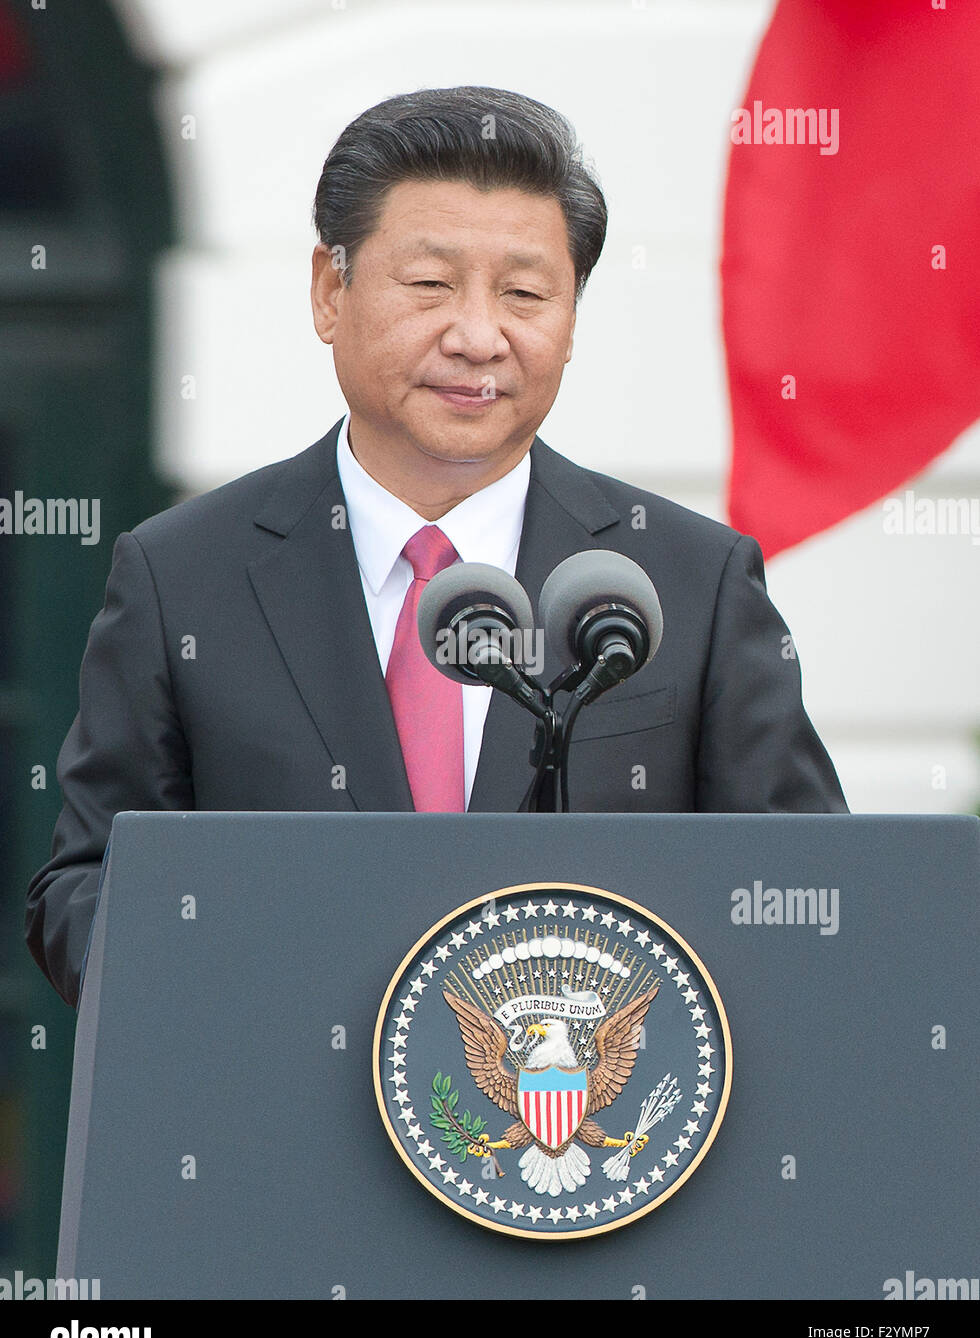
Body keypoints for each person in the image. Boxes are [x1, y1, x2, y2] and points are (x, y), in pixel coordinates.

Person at [25, 85, 847, 1008]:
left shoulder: (686, 583)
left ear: (572, 321)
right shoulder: (183, 577)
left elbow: (807, 899)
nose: (478, 337)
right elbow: (82, 893)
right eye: (430, 286)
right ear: (331, 291)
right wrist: (234, 983)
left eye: (526, 294)